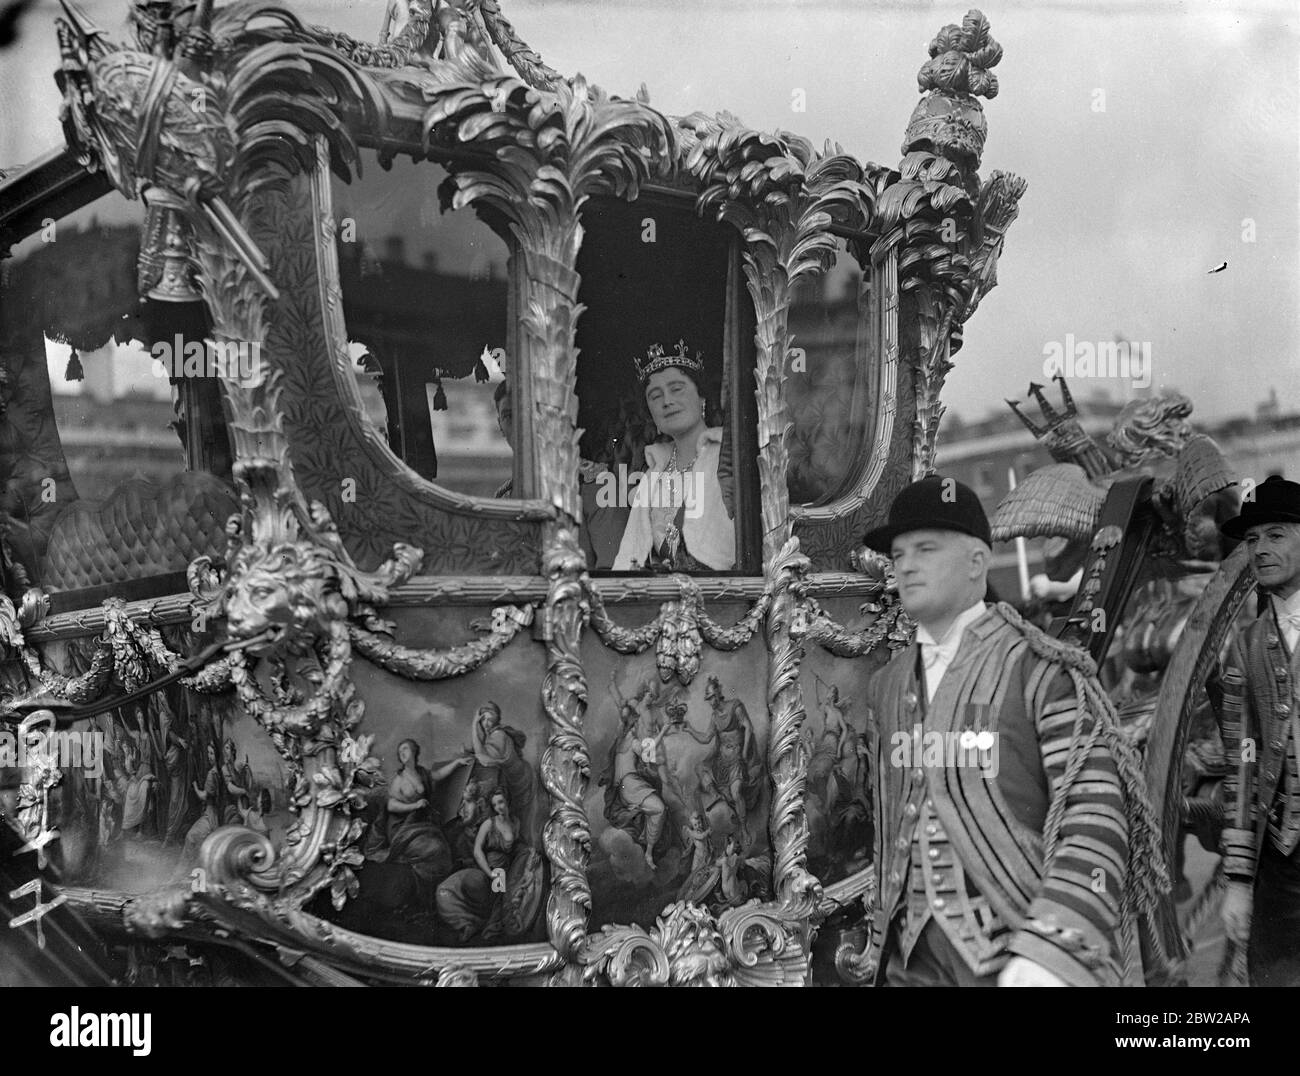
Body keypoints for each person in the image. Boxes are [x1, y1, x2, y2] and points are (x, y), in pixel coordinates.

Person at [856, 475, 1162, 987]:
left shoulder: (1041, 669)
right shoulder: (886, 687)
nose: (905, 564)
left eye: (926, 549)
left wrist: (1052, 948)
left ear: (978, 562)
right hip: (909, 959)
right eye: (899, 553)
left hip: (1019, 954)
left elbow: (1095, 813)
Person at [1217, 476, 1300, 985]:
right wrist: (1239, 882)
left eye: (1276, 534)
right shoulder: (1246, 647)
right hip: (1280, 863)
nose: (1261, 549)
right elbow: (1241, 768)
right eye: (1252, 540)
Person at [613, 340, 735, 571]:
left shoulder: (727, 457)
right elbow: (633, 551)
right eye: (655, 396)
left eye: (677, 389)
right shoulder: (653, 473)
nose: (667, 401)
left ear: (702, 398)